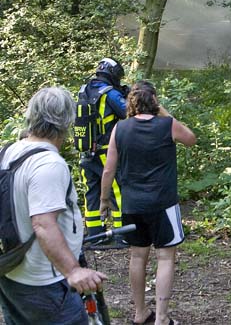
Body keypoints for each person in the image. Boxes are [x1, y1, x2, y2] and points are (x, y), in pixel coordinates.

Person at [0, 87, 106, 324]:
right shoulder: (48, 164)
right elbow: (44, 224)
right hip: (43, 282)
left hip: (11, 273)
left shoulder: (7, 152)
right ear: (68, 120)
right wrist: (73, 271)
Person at [100, 81, 196, 325]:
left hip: (132, 204)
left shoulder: (119, 129)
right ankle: (162, 318)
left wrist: (104, 200)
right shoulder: (167, 125)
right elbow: (191, 139)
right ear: (154, 101)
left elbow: (109, 169)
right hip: (163, 203)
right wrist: (163, 111)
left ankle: (140, 313)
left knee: (137, 256)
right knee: (165, 257)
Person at [77, 57, 128, 237]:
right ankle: (122, 234)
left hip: (85, 152)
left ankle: (95, 234)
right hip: (106, 151)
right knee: (117, 191)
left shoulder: (83, 90)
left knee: (91, 192)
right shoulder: (110, 93)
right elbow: (128, 113)